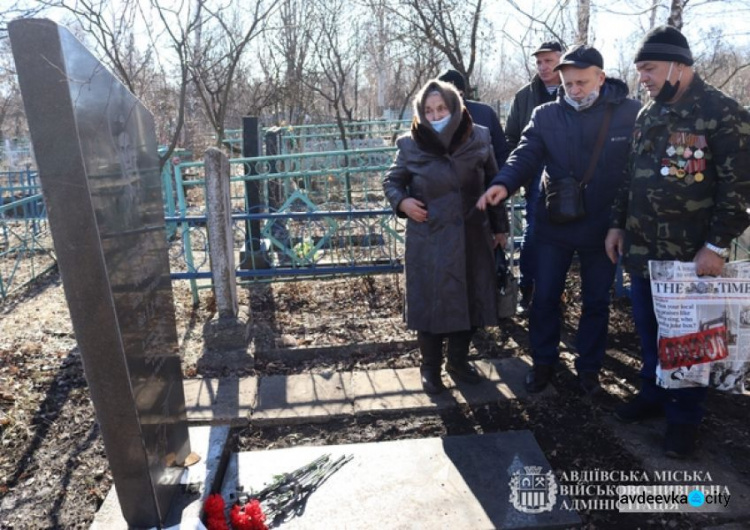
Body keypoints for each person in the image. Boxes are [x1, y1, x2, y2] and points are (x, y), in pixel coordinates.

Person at [605, 25, 750, 458]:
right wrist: (617, 225)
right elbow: (629, 177)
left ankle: (684, 420)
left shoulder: (723, 114)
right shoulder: (649, 113)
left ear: (678, 66)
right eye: (639, 70)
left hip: (690, 258)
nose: (642, 77)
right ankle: (652, 393)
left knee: (688, 341)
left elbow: (739, 189)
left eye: (648, 68)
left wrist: (718, 245)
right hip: (643, 252)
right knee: (650, 331)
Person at [477, 45, 640, 396]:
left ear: (601, 76)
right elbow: (525, 153)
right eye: (568, 84)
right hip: (554, 224)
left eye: (582, 82)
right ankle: (544, 362)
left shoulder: (629, 114)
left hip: (603, 227)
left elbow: (637, 170)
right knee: (545, 296)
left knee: (597, 301)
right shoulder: (546, 114)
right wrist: (503, 184)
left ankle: (589, 369)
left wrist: (624, 221)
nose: (575, 90)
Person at [383, 79, 508, 395]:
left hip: (472, 236)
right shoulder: (410, 144)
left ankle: (458, 362)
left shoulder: (479, 136)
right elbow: (392, 182)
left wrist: (500, 228)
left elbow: (493, 184)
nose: (435, 114)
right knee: (431, 306)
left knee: (471, 302)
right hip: (430, 239)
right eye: (428, 110)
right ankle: (430, 369)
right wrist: (403, 202)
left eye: (441, 108)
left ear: (454, 107)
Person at [505, 41, 563, 313]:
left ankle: (558, 293)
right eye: (539, 62)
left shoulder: (574, 89)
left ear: (561, 61)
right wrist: (517, 174)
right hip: (535, 177)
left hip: (571, 178)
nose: (543, 67)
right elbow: (512, 137)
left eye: (549, 61)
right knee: (534, 233)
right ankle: (528, 290)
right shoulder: (524, 96)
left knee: (568, 238)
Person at [437, 69, 511, 168]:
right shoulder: (432, 119)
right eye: (445, 96)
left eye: (455, 95)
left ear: (462, 94)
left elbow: (501, 153)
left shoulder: (485, 113)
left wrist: (499, 181)